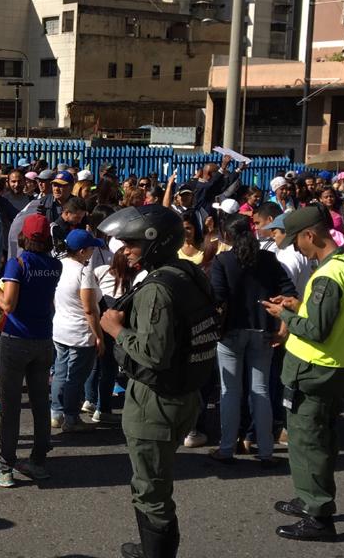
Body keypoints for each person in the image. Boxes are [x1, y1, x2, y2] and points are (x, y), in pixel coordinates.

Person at [97, 204, 221, 558]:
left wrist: (116, 330)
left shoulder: (156, 290)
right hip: (184, 393)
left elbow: (153, 354)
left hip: (156, 402)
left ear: (155, 242)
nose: (125, 250)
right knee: (154, 484)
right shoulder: (186, 272)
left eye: (132, 242)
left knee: (150, 490)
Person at [263, 205, 344, 541]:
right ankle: (308, 498)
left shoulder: (329, 276)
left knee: (309, 442)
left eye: (296, 241)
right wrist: (298, 304)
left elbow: (316, 330)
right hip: (335, 366)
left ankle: (318, 514)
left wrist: (283, 315)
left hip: (315, 370)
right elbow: (330, 315)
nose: (294, 248)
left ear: (310, 235)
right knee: (319, 439)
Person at [0, 215, 62, 487]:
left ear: (23, 237)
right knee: (40, 403)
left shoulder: (18, 263)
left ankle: (5, 466)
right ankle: (38, 461)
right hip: (43, 339)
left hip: (15, 340)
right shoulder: (55, 265)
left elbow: (8, 304)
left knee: (10, 406)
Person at [209, 216, 296, 466]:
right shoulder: (269, 259)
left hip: (230, 331)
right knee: (261, 391)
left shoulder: (223, 260)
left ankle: (226, 448)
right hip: (263, 329)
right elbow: (289, 293)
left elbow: (218, 297)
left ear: (227, 236)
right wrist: (283, 328)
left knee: (230, 391)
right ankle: (266, 450)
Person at [50, 229, 106, 434]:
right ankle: (71, 418)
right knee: (75, 377)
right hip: (80, 332)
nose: (93, 252)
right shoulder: (84, 272)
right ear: (82, 251)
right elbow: (89, 308)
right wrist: (99, 336)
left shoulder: (59, 266)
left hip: (61, 328)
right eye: (91, 248)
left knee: (60, 372)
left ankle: (56, 413)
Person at [85, 247, 138, 424]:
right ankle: (103, 409)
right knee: (109, 370)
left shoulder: (100, 271)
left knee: (95, 365)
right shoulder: (132, 279)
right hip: (116, 326)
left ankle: (89, 400)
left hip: (99, 322)